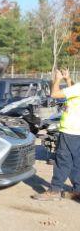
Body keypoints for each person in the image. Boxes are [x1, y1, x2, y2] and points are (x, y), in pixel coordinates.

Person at [32, 69, 80, 201]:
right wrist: (68, 79)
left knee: (62, 160)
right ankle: (78, 190)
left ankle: (54, 190)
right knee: (76, 162)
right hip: (77, 132)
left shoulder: (78, 88)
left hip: (70, 130)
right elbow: (74, 92)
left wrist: (58, 79)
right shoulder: (77, 89)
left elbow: (54, 94)